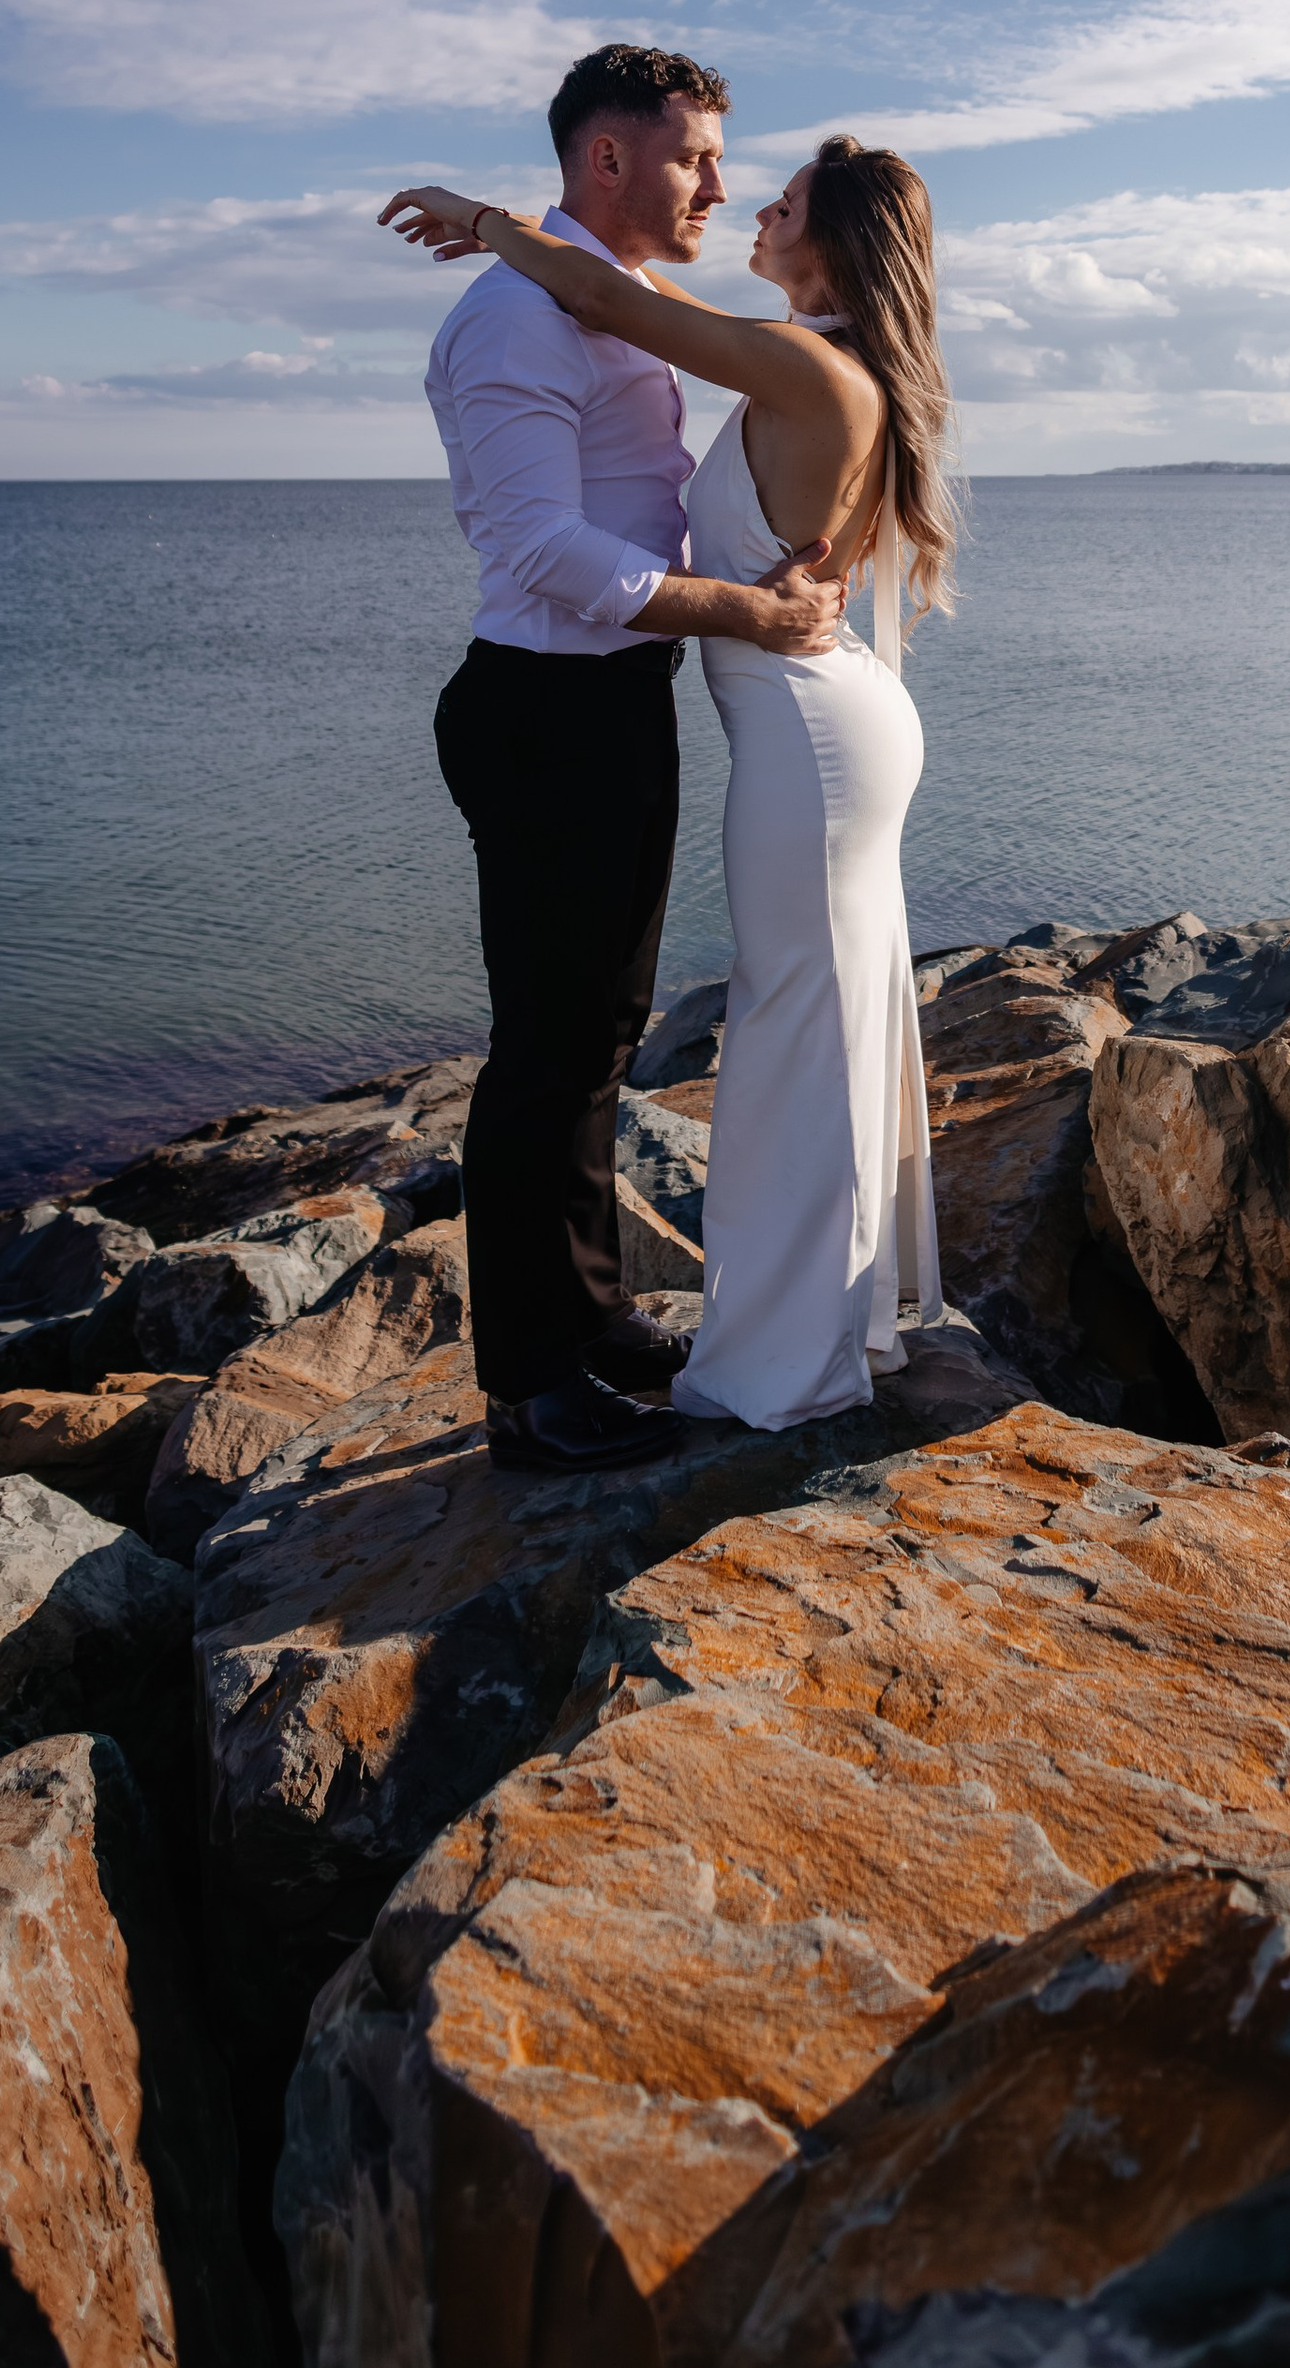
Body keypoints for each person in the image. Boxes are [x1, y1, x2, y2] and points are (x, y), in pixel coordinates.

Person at [384, 124, 956, 1435]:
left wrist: (479, 218)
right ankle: (811, 1319)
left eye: (785, 199)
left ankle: (783, 1353)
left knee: (792, 1033)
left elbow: (597, 292)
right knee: (818, 1021)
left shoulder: (810, 366)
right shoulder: (825, 358)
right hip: (833, 723)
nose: (750, 203)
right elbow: (637, 302)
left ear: (834, 240)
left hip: (809, 734)